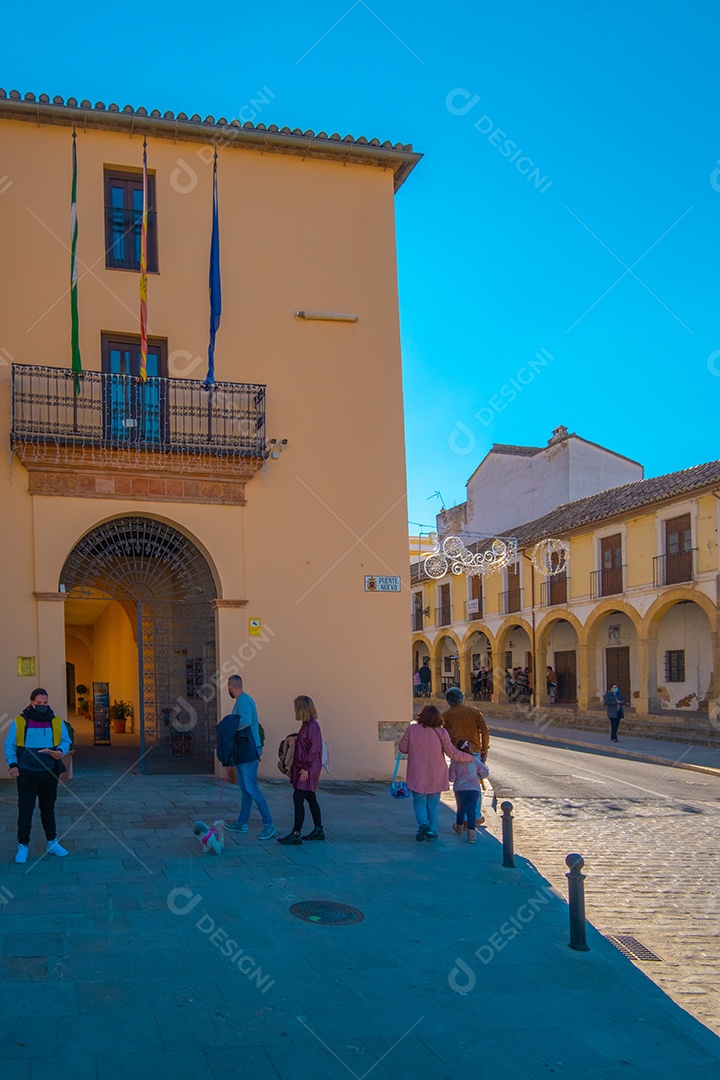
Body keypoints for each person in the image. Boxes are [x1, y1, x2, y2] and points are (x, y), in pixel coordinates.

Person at [4, 688, 71, 864]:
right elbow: (9, 744)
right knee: (25, 810)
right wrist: (12, 765)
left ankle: (52, 842)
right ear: (31, 702)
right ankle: (23, 846)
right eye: (39, 703)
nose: (42, 706)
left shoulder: (56, 722)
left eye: (45, 703)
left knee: (48, 809)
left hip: (48, 773)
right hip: (26, 773)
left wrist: (60, 751)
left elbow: (65, 741)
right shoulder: (20, 722)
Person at [398, 705, 473, 841]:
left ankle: (423, 823)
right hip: (436, 773)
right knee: (433, 803)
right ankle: (432, 831)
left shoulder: (412, 729)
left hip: (417, 772)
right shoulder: (442, 732)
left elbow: (403, 748)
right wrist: (469, 758)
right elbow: (452, 753)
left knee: (419, 800)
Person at [223, 676, 275, 840]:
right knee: (244, 788)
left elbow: (246, 721)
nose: (229, 690)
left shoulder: (243, 700)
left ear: (231, 686)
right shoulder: (242, 700)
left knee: (251, 787)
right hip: (244, 750)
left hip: (249, 750)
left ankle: (269, 824)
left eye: (228, 687)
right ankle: (242, 823)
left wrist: (229, 728)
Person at [277, 695, 324, 845]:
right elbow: (306, 741)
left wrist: (305, 768)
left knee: (298, 798)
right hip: (305, 766)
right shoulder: (307, 724)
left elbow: (315, 748)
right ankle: (318, 830)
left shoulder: (312, 725)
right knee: (310, 797)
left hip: (307, 767)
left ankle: (296, 834)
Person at [442, 687, 489, 826]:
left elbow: (443, 736)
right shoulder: (473, 711)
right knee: (475, 783)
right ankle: (475, 816)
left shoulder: (445, 715)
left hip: (456, 753)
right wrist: (484, 748)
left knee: (461, 783)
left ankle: (463, 816)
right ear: (462, 698)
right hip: (474, 752)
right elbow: (484, 731)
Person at [449, 739, 486, 843]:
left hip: (460, 789)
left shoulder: (455, 762)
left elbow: (451, 778)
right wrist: (477, 775)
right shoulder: (474, 760)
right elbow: (484, 772)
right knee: (472, 810)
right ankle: (471, 835)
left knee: (461, 809)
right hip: (474, 789)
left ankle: (459, 827)